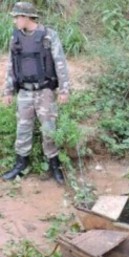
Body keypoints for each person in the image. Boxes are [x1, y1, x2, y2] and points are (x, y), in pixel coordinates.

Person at [1, 2, 70, 185]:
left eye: (17, 17)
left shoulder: (48, 36)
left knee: (49, 129)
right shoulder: (15, 38)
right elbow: (11, 65)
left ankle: (54, 165)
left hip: (45, 91)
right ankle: (20, 164)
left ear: (26, 17)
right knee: (22, 129)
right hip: (24, 92)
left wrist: (64, 89)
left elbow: (60, 62)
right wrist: (7, 90)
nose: (15, 20)